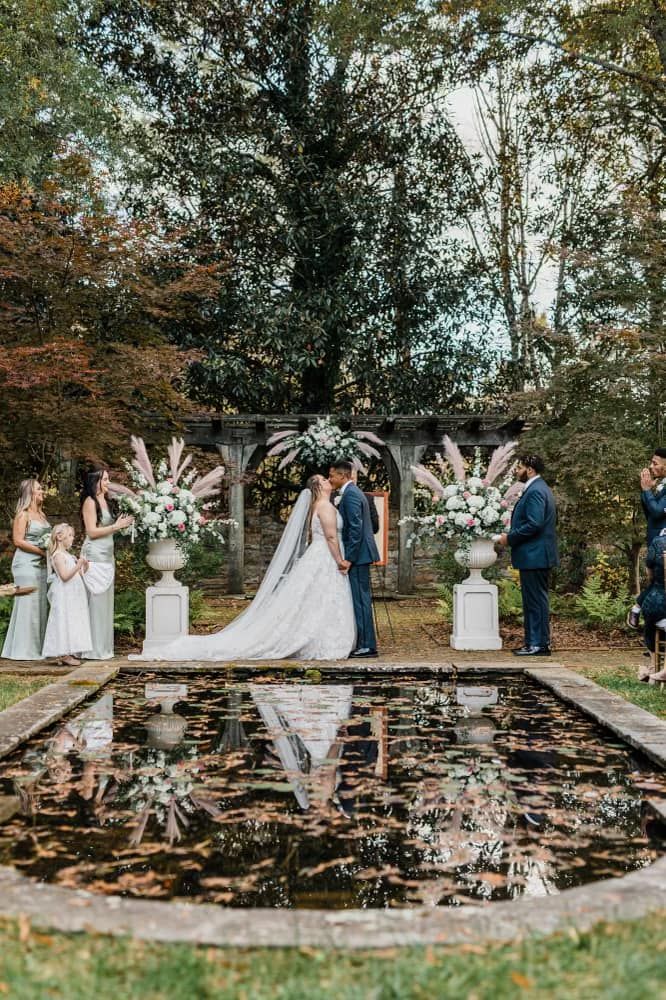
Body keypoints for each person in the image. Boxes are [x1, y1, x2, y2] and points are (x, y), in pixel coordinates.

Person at [129, 474, 356, 660]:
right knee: (318, 599)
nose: (328, 480)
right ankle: (320, 642)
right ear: (317, 486)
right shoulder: (324, 507)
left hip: (319, 557)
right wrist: (340, 561)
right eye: (324, 480)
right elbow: (330, 537)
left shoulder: (319, 506)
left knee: (314, 600)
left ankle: (314, 638)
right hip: (325, 557)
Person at [497, 453, 559, 656]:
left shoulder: (535, 491)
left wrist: (510, 538)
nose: (516, 471)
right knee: (534, 600)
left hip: (535, 555)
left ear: (530, 470)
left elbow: (534, 523)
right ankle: (535, 642)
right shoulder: (538, 488)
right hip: (535, 555)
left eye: (519, 467)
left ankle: (538, 644)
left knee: (535, 601)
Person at [329, 459, 381, 658]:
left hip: (358, 556)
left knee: (361, 601)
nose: (330, 479)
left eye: (332, 475)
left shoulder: (350, 495)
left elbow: (356, 529)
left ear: (343, 476)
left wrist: (348, 558)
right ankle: (363, 642)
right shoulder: (353, 493)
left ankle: (367, 646)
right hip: (360, 555)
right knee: (361, 599)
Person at [80, 468, 133, 661]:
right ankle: (91, 648)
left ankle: (103, 647)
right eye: (105, 479)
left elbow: (110, 529)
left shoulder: (107, 502)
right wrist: (116, 526)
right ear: (95, 482)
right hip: (94, 556)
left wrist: (125, 526)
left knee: (105, 602)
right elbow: (92, 532)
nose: (108, 483)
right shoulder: (90, 502)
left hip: (108, 555)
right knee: (95, 602)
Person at [1, 479, 51, 660]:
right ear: (30, 492)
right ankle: (23, 650)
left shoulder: (42, 515)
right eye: (39, 489)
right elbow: (18, 541)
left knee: (39, 604)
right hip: (25, 564)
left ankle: (37, 648)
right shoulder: (23, 515)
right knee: (28, 604)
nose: (42, 491)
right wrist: (41, 551)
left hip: (42, 564)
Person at [42, 524, 92, 667]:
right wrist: (78, 565)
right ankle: (63, 653)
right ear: (59, 537)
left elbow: (79, 573)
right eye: (70, 535)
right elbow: (64, 576)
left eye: (73, 536)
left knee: (72, 620)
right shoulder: (57, 556)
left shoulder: (68, 555)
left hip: (73, 594)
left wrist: (84, 565)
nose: (72, 539)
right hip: (64, 593)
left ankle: (67, 652)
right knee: (63, 620)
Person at [627, 447, 666, 630]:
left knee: (659, 583)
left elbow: (658, 511)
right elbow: (650, 513)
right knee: (657, 583)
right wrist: (646, 491)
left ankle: (637, 609)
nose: (651, 467)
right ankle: (652, 635)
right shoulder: (660, 484)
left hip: (663, 543)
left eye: (655, 463)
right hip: (656, 542)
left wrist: (647, 491)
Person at [636, 529, 666, 683]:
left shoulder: (658, 542)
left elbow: (650, 574)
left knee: (649, 614)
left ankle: (654, 666)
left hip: (659, 606)